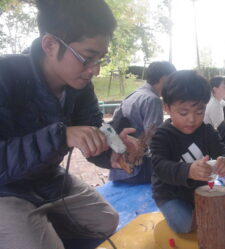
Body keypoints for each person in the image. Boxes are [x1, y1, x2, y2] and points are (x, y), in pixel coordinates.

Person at [0, 0, 143, 248]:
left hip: (49, 179)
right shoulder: (6, 76)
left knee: (106, 221)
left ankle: (38, 226)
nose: (95, 71)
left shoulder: (80, 87)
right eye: (87, 58)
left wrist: (116, 149)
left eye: (100, 59)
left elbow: (93, 127)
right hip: (6, 190)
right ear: (50, 44)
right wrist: (61, 136)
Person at [150, 70, 225, 233]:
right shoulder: (162, 135)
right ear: (167, 108)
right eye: (183, 112)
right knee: (186, 225)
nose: (192, 119)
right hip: (170, 194)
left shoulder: (207, 132)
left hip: (201, 191)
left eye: (199, 112)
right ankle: (174, 213)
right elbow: (159, 166)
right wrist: (189, 171)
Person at [109, 61, 176, 183]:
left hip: (119, 168)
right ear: (164, 78)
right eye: (172, 79)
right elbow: (155, 141)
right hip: (138, 171)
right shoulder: (153, 100)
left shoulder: (135, 94)